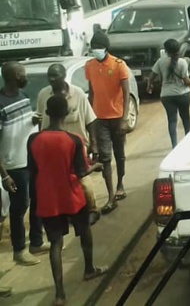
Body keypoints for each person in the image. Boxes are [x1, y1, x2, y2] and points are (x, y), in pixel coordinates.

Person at [28, 96, 108, 306]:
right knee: (85, 232)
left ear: (47, 112)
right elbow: (81, 172)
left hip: (48, 198)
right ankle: (89, 269)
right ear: (67, 113)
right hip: (72, 197)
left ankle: (60, 294)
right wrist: (96, 166)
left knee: (56, 243)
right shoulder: (73, 140)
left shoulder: (34, 140)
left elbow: (33, 171)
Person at [34, 64, 103, 226]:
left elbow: (90, 119)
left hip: (75, 146)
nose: (51, 79)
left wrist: (94, 144)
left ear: (63, 76)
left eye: (55, 76)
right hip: (52, 146)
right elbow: (40, 119)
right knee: (57, 181)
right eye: (49, 76)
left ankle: (92, 209)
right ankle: (63, 211)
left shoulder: (77, 94)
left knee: (82, 180)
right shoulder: (43, 94)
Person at [0, 62, 47, 266]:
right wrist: (4, 175)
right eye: (22, 73)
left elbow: (23, 124)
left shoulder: (25, 97)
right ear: (12, 77)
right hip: (13, 165)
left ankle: (36, 242)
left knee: (37, 201)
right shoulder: (0, 103)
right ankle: (19, 250)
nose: (24, 76)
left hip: (31, 159)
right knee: (19, 207)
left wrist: (33, 120)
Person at [85, 32, 130, 214]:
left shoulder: (119, 65)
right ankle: (111, 196)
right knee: (105, 157)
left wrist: (124, 119)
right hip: (100, 118)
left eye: (99, 47)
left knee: (119, 154)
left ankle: (120, 184)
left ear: (105, 48)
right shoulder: (89, 66)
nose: (96, 51)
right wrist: (90, 119)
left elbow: (126, 94)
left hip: (117, 117)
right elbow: (91, 93)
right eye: (93, 47)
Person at [147, 39, 190, 148]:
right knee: (186, 118)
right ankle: (188, 142)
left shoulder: (160, 62)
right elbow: (186, 80)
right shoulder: (182, 62)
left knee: (172, 120)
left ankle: (174, 145)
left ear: (166, 50)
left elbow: (151, 77)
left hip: (167, 95)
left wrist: (149, 87)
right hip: (183, 94)